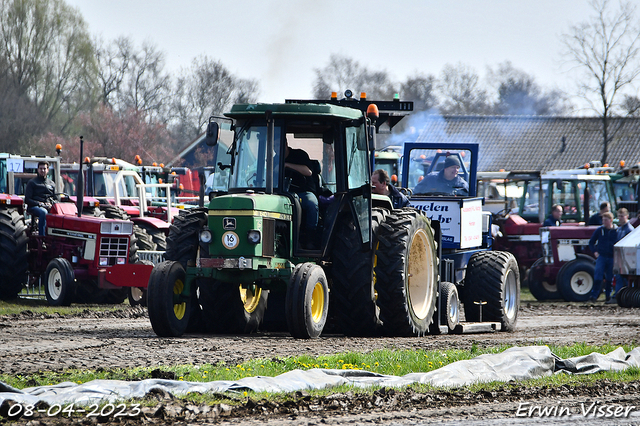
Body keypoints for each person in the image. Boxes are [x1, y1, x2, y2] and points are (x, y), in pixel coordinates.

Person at [284, 140, 319, 248]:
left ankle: (310, 238)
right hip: (284, 193)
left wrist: (287, 165)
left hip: (303, 192)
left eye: (278, 144)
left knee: (311, 203)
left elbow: (308, 171)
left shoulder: (299, 155)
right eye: (274, 145)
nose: (275, 147)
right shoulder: (272, 159)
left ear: (285, 143)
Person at [588, 212, 617, 302]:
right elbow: (591, 242)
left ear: (610, 220)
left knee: (609, 277)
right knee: (598, 275)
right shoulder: (600, 230)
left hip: (612, 257)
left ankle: (608, 295)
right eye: (603, 220)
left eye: (605, 220)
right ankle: (594, 295)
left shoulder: (616, 231)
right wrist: (595, 251)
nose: (603, 222)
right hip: (602, 256)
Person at [25, 161, 56, 236]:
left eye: (44, 169)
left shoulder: (51, 184)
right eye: (41, 168)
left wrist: (51, 204)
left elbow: (56, 198)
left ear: (48, 170)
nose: (42, 170)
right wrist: (40, 204)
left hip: (49, 206)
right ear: (38, 170)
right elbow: (27, 199)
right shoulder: (32, 182)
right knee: (43, 212)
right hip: (35, 207)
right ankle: (42, 237)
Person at [611, 208, 634, 303]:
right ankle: (618, 296)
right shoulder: (619, 229)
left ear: (627, 217)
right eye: (619, 216)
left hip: (627, 258)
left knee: (628, 278)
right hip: (619, 257)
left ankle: (630, 296)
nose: (620, 218)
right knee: (619, 277)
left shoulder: (629, 229)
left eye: (622, 216)